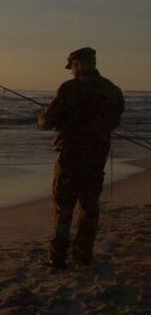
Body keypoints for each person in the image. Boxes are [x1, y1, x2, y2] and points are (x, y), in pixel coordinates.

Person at [38, 47, 124, 269]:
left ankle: (57, 258)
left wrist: (42, 117)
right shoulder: (113, 90)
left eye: (72, 67)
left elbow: (47, 121)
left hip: (71, 155)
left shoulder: (70, 88)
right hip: (97, 157)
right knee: (89, 207)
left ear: (79, 64)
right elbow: (114, 122)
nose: (72, 72)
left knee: (63, 208)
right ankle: (83, 256)